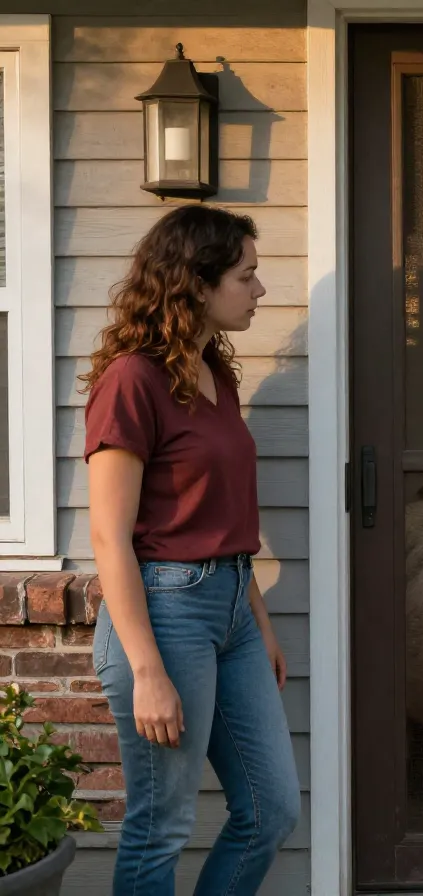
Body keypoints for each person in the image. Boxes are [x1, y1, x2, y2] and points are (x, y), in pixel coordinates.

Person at [81, 205, 300, 895]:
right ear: (197, 284)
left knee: (271, 810)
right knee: (162, 826)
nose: (259, 289)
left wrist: (257, 624)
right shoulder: (132, 381)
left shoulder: (216, 375)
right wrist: (147, 671)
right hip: (164, 614)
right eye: (247, 275)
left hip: (233, 606)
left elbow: (225, 518)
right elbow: (108, 535)